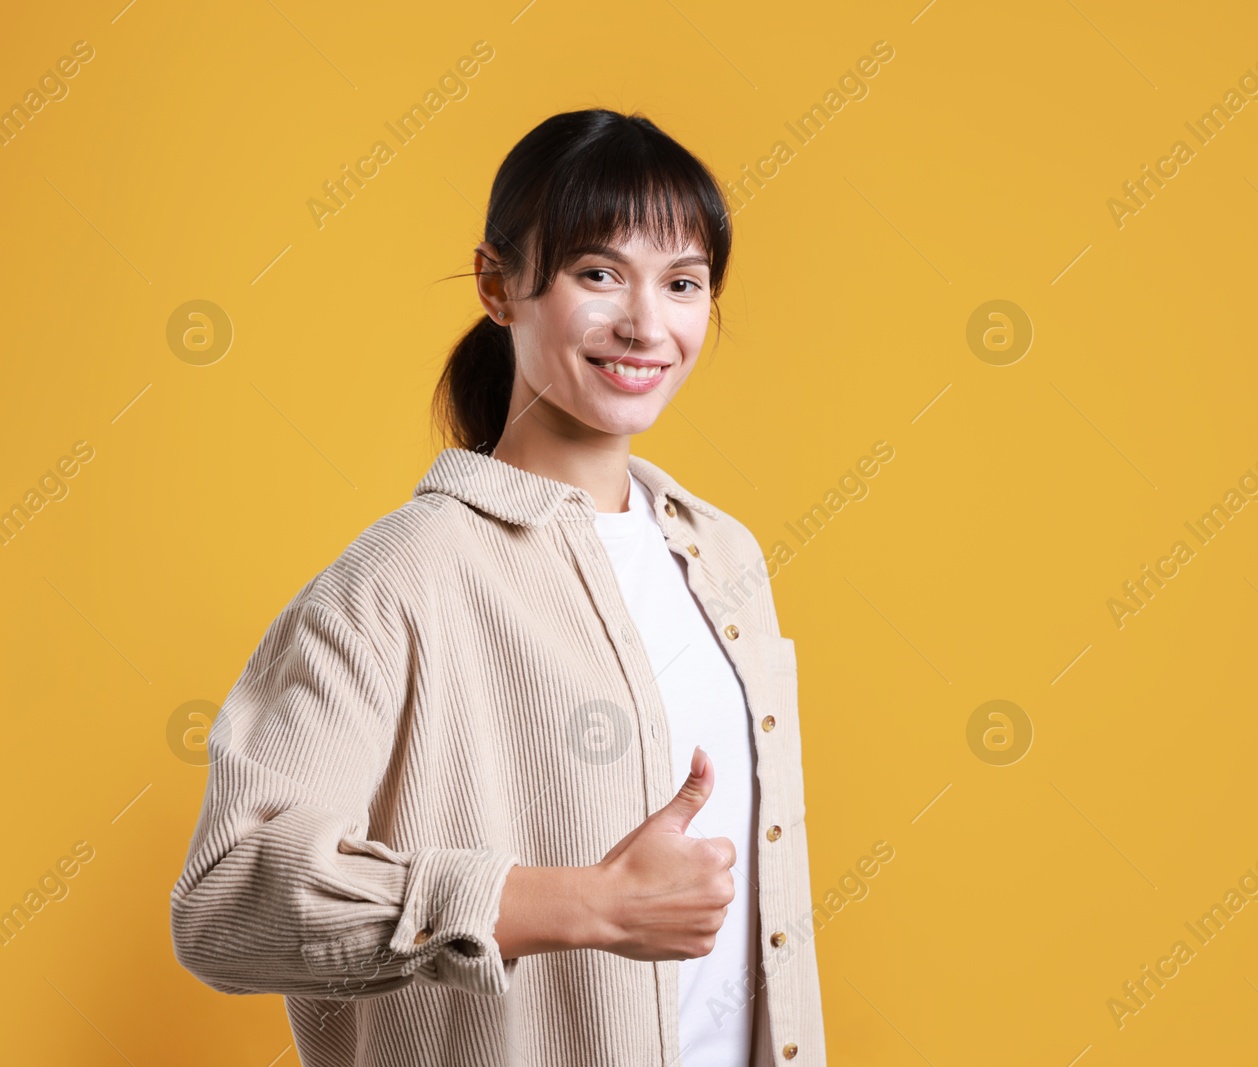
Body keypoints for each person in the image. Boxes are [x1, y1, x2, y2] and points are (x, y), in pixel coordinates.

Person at [170, 108, 827, 1067]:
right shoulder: (403, 576)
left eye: (682, 283)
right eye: (598, 273)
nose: (646, 323)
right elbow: (228, 902)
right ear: (498, 284)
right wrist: (583, 903)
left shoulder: (723, 559)